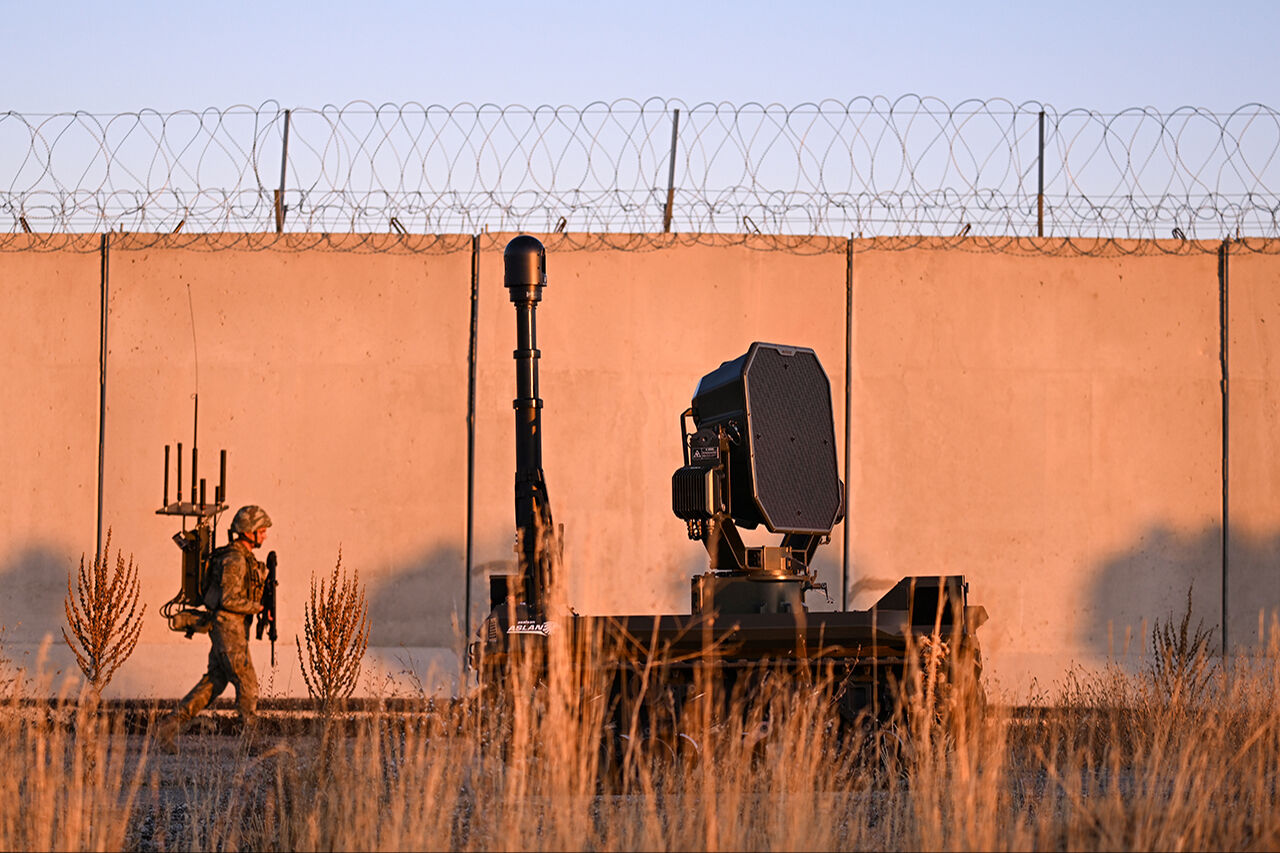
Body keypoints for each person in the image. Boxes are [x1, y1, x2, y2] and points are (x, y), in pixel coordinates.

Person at [157, 505, 272, 753]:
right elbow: (229, 600)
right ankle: (250, 741)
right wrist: (257, 607)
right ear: (248, 531)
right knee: (247, 682)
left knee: (214, 683)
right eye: (261, 531)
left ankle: (168, 727)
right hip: (228, 628)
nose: (264, 536)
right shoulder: (234, 560)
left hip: (232, 628)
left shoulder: (242, 557)